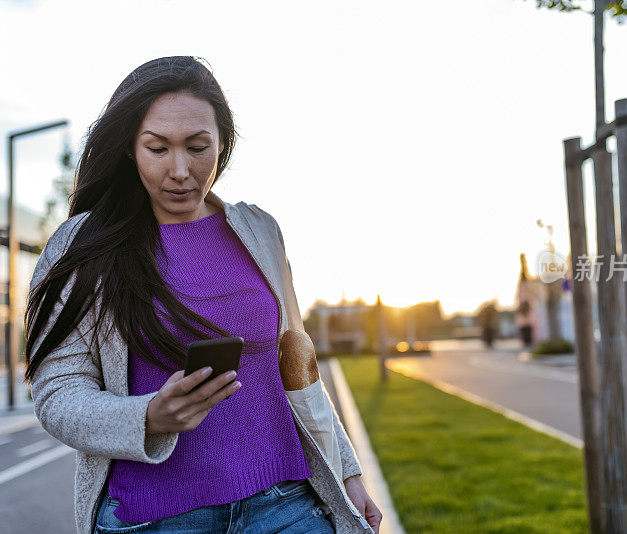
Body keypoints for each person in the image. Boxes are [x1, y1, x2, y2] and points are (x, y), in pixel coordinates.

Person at [24, 56, 382, 534]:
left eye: (198, 147)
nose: (180, 170)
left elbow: (298, 368)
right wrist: (148, 416)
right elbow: (58, 395)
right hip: (156, 520)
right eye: (158, 149)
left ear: (222, 145)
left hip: (287, 506)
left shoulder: (259, 231)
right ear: (130, 148)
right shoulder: (83, 245)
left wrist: (349, 472)